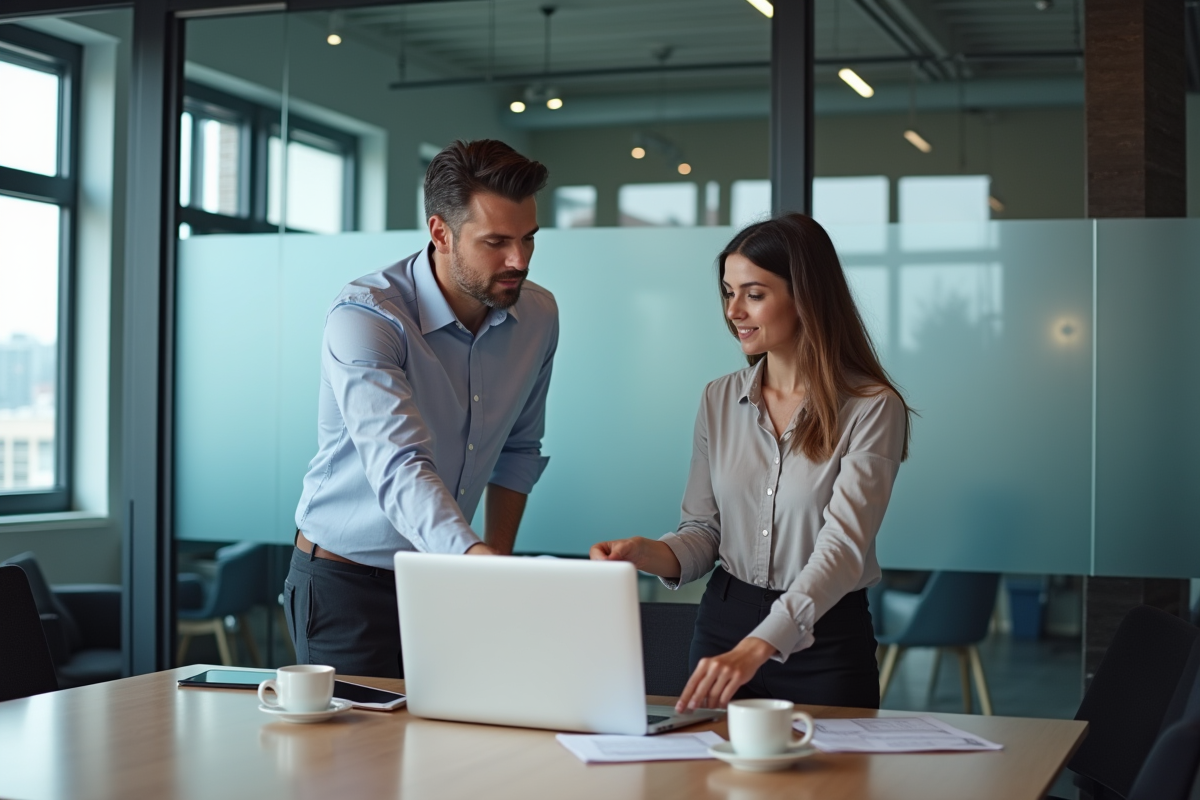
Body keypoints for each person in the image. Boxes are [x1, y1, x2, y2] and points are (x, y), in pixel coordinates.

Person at [591, 213, 912, 712]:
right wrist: (645, 553)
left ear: (805, 296)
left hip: (824, 638)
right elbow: (703, 532)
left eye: (754, 294)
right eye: (727, 292)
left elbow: (844, 548)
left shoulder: (872, 407)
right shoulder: (717, 399)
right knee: (706, 784)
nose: (734, 311)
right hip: (723, 628)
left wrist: (761, 645)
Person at [284, 140, 558, 678]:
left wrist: (490, 561)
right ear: (440, 232)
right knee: (354, 760)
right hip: (348, 586)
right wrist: (472, 562)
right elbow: (400, 464)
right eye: (496, 242)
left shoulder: (540, 314)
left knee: (450, 755)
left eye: (529, 240)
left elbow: (520, 450)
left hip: (452, 576)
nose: (518, 261)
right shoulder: (366, 317)